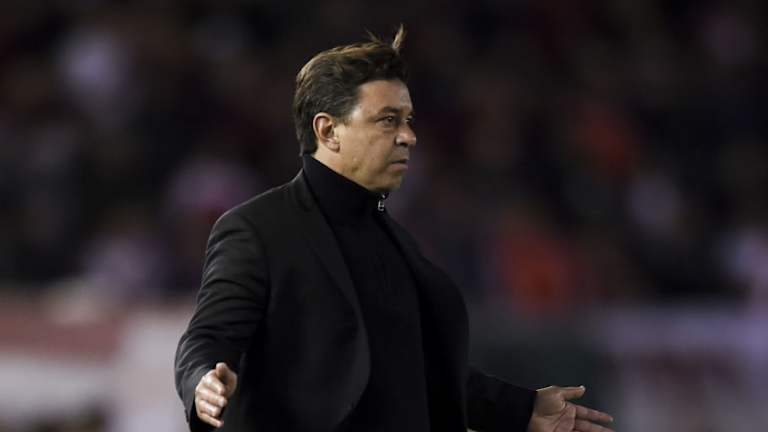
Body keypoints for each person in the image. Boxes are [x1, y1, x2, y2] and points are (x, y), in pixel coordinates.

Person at [174, 25, 614, 432]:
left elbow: (420, 377)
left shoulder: (398, 243)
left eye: (408, 120)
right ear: (328, 130)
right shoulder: (258, 228)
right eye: (387, 120)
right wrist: (203, 382)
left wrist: (523, 408)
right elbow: (208, 337)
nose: (408, 136)